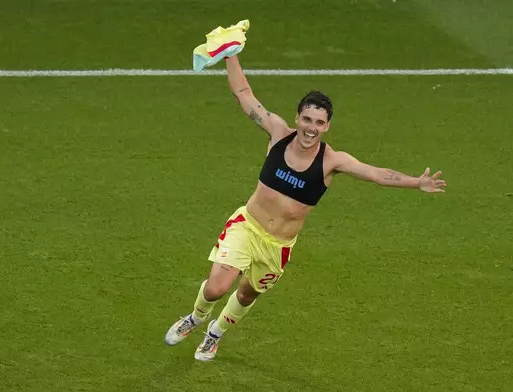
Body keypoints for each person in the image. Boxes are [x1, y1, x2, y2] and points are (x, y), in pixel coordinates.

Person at [164, 55, 447, 361]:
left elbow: (377, 174)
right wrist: (231, 55)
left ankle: (215, 334)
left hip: (278, 246)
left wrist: (416, 183)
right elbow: (244, 95)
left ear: (327, 126)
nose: (311, 128)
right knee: (217, 288)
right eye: (307, 119)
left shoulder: (332, 161)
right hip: (247, 227)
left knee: (247, 294)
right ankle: (195, 318)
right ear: (297, 118)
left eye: (319, 122)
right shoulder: (277, 134)